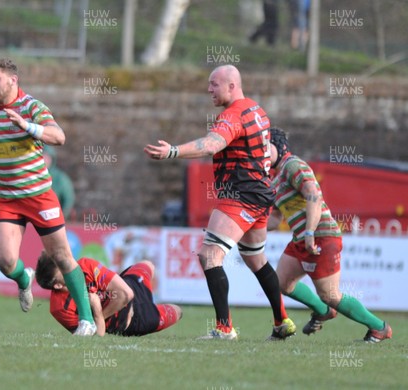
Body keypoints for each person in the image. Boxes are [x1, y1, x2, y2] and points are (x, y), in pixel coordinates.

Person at [0, 58, 96, 336]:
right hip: (4, 199)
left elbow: (58, 137)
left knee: (62, 256)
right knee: (4, 262)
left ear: (12, 80)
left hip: (39, 195)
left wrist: (29, 126)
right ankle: (23, 277)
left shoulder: (32, 107)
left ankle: (86, 320)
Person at [144, 64, 295, 340]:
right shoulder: (256, 110)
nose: (209, 89)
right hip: (261, 194)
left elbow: (212, 144)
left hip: (240, 195)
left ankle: (225, 328)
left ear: (232, 86)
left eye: (215, 84)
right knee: (255, 259)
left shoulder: (233, 115)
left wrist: (173, 152)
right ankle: (281, 321)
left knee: (209, 255)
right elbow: (270, 150)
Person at [268, 128, 392, 343]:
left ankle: (379, 328)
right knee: (280, 283)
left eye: (264, 147)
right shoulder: (275, 179)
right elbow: (275, 219)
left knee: (331, 295)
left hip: (321, 236)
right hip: (300, 240)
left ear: (279, 147)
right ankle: (322, 310)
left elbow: (313, 196)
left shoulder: (293, 165)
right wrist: (246, 228)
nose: (259, 153)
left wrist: (309, 233)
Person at [36, 253, 182, 336]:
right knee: (178, 311)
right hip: (136, 320)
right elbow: (96, 338)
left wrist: (97, 316)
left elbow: (126, 294)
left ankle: (147, 295)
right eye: (63, 268)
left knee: (148, 264)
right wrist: (98, 313)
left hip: (129, 288)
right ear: (58, 285)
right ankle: (153, 308)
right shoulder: (60, 308)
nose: (70, 266)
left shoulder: (85, 265)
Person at [43, 145, 75, 219]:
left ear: (52, 159)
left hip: (53, 220)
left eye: (46, 157)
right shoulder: (31, 176)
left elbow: (68, 199)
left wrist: (61, 217)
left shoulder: (60, 178)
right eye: (41, 156)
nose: (44, 160)